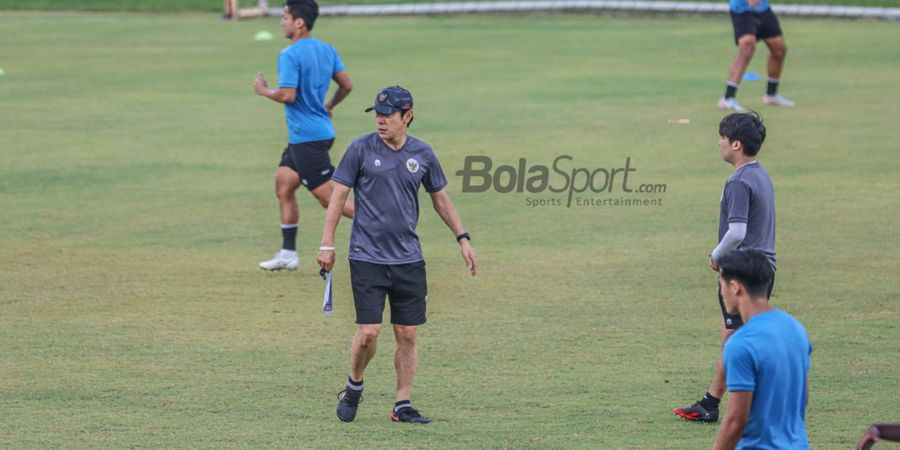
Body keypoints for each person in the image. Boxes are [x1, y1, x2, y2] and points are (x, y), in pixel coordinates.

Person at [317, 86, 478, 424]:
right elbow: (337, 197)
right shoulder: (360, 149)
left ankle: (402, 404)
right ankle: (354, 385)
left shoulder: (423, 153)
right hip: (366, 257)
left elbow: (440, 200)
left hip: (408, 259)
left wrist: (462, 238)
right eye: (377, 114)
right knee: (369, 333)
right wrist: (327, 243)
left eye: (387, 115)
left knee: (407, 333)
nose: (380, 120)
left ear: (407, 116)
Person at [675, 112, 776, 423]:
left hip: (743, 269)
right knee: (739, 334)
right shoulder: (760, 174)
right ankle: (712, 401)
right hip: (764, 265)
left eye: (723, 138)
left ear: (736, 144)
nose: (719, 143)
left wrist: (716, 254)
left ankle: (722, 404)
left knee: (735, 338)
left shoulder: (739, 181)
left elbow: (737, 231)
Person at [254, 0, 353, 271]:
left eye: (285, 16)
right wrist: (329, 105)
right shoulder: (327, 49)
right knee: (284, 184)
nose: (282, 21)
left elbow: (288, 95)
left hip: (307, 138)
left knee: (329, 198)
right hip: (314, 134)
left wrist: (265, 91)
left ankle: (385, 226)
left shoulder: (289, 54)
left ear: (299, 22)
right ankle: (288, 253)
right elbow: (346, 85)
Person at [711, 249, 811, 450]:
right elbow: (803, 396)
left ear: (735, 287)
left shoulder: (740, 344)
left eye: (722, 286)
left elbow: (736, 420)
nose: (722, 294)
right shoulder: (795, 328)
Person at [718, 0, 795, 112]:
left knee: (779, 48)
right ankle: (727, 98)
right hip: (741, 11)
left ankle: (771, 95)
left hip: (763, 9)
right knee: (747, 46)